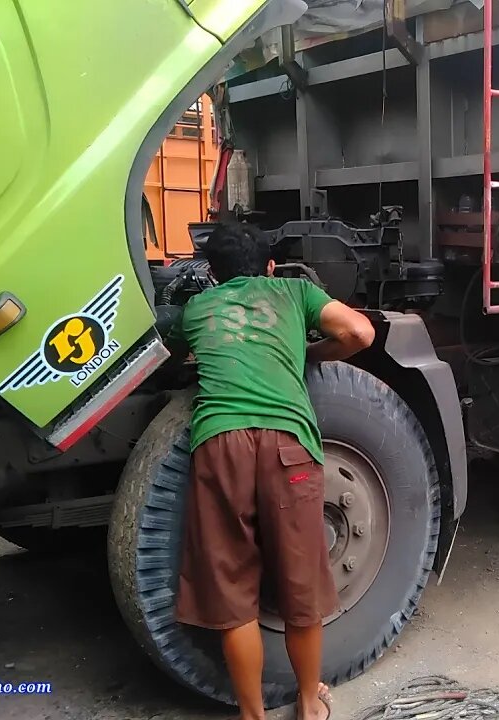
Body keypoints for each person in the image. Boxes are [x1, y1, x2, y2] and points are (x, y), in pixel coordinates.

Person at [167, 219, 375, 720]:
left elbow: (175, 356)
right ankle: (308, 702)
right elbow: (360, 332)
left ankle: (253, 715)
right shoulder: (294, 291)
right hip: (289, 448)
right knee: (302, 581)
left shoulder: (196, 307)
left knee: (233, 590)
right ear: (270, 266)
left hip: (221, 446)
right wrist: (310, 351)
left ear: (213, 274)